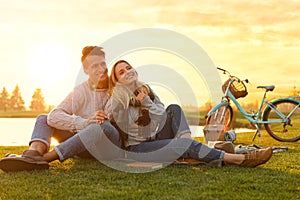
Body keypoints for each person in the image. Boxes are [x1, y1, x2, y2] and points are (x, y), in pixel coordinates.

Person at [104, 60, 273, 167]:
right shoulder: (117, 100)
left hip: (156, 137)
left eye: (128, 67)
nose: (127, 72)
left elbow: (163, 115)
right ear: (117, 80)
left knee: (174, 108)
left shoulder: (146, 90)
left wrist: (147, 103)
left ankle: (186, 148)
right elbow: (131, 130)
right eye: (121, 72)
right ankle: (240, 159)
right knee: (184, 145)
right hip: (138, 147)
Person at [0, 46, 122, 172]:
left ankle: (44, 158)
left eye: (103, 64)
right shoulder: (80, 91)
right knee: (44, 118)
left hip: (108, 146)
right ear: (86, 70)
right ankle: (33, 154)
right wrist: (84, 123)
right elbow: (54, 116)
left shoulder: (117, 85)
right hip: (83, 147)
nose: (101, 69)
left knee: (100, 126)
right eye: (95, 66)